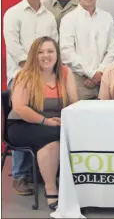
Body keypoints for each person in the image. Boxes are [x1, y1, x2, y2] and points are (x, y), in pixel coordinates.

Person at [3, 0, 58, 196]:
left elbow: (52, 43)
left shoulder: (48, 16)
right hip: (21, 75)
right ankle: (21, 175)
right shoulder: (13, 13)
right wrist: (32, 67)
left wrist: (45, 70)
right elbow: (13, 45)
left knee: (42, 120)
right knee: (23, 119)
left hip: (45, 76)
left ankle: (43, 170)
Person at [7, 36, 78, 210]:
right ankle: (51, 188)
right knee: (53, 136)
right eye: (40, 52)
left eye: (50, 51)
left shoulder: (65, 73)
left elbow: (74, 102)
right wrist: (46, 122)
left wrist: (65, 118)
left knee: (68, 132)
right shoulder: (25, 75)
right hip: (22, 124)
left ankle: (73, 184)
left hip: (54, 122)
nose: (46, 55)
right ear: (33, 55)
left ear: (57, 54)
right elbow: (20, 108)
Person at [60, 0, 114, 100]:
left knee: (106, 118)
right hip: (79, 80)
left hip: (105, 79)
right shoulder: (69, 19)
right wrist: (91, 74)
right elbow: (66, 52)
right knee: (80, 117)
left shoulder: (107, 18)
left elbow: (113, 48)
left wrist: (100, 73)